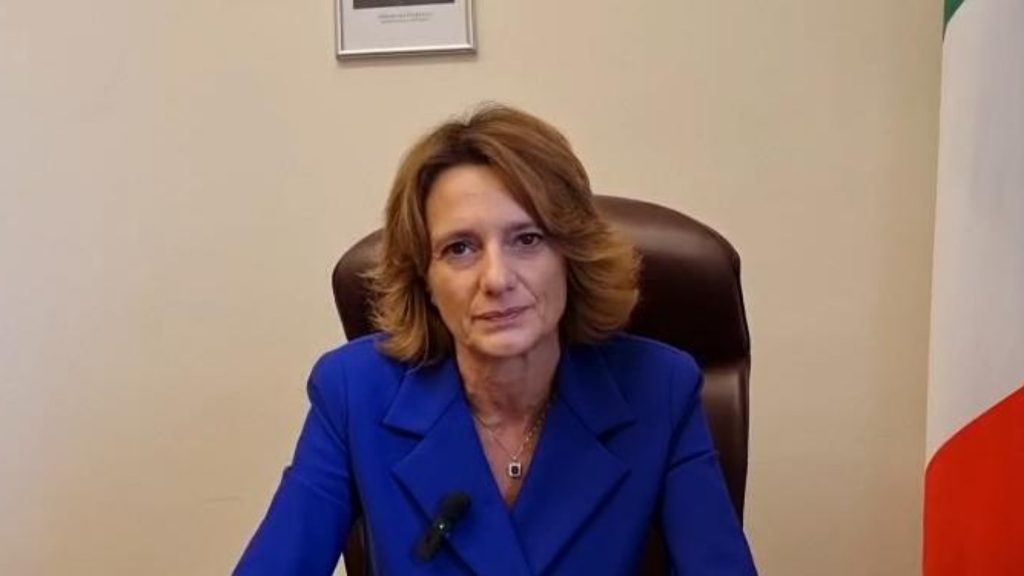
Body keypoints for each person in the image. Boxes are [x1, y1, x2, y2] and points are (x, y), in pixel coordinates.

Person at [235, 105, 757, 575]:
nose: (497, 278)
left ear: (570, 257)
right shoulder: (353, 392)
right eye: (460, 248)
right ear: (424, 279)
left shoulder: (659, 389)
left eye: (527, 239)